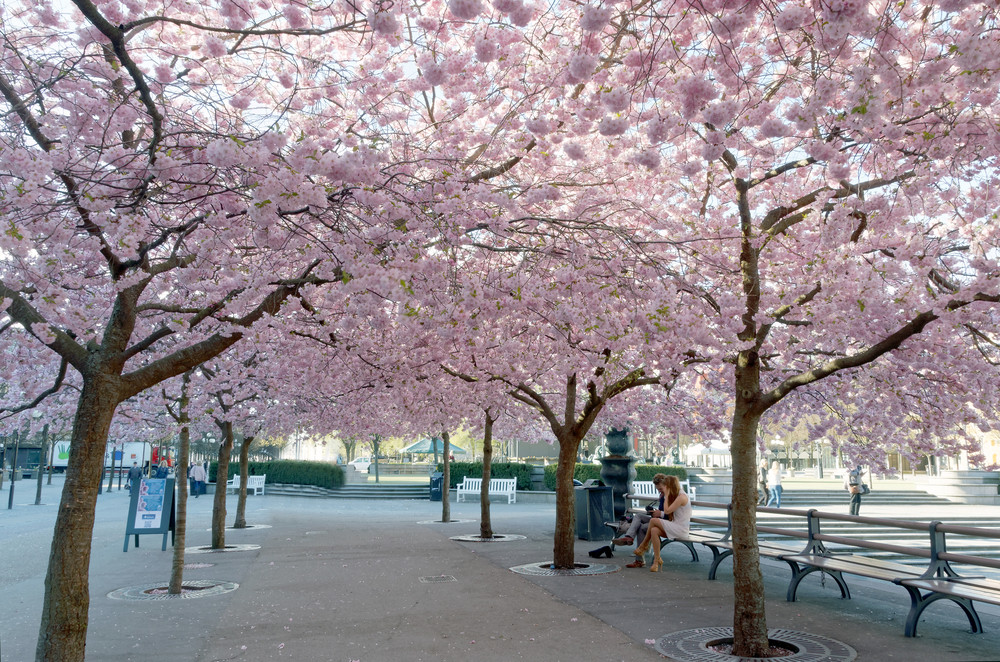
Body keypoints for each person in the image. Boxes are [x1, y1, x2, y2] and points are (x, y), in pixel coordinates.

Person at [630, 474, 691, 572]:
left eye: (665, 487)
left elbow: (667, 511)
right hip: (674, 526)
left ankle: (644, 545)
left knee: (653, 521)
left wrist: (666, 496)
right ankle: (656, 561)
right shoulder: (674, 495)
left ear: (669, 486)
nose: (662, 490)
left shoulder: (681, 496)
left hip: (681, 529)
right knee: (654, 530)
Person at [612, 473, 671, 549]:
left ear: (666, 485)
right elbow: (661, 511)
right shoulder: (663, 496)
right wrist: (653, 512)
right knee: (638, 516)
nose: (659, 491)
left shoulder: (672, 496)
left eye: (660, 489)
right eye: (658, 489)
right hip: (659, 520)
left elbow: (673, 515)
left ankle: (639, 551)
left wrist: (661, 513)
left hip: (667, 523)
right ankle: (629, 537)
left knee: (641, 527)